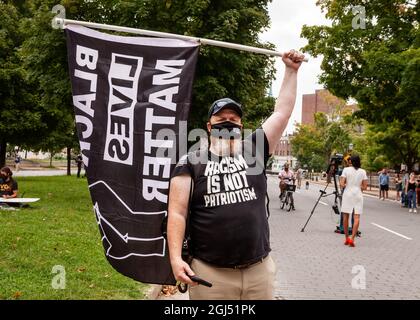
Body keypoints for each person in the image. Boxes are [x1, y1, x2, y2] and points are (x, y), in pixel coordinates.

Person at [167, 50, 305, 300]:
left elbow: (281, 113)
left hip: (258, 270)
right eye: (222, 119)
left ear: (241, 126)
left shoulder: (255, 150)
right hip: (211, 274)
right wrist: (176, 259)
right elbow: (176, 213)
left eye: (234, 119)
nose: (229, 123)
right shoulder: (189, 162)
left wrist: (291, 71)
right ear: (209, 127)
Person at [339, 155, 368, 248]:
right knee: (357, 217)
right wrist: (358, 186)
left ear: (351, 161)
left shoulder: (346, 170)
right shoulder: (363, 171)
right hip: (358, 194)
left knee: (345, 217)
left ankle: (347, 238)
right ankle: (353, 239)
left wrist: (348, 184)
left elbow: (341, 184)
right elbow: (365, 187)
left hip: (348, 194)